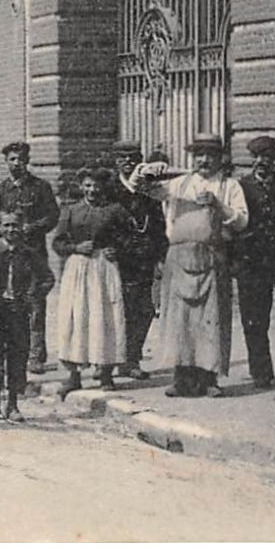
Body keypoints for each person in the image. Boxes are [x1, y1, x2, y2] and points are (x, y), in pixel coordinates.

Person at [128, 133, 249, 398]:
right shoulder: (179, 184)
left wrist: (218, 205)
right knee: (179, 320)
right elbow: (137, 187)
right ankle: (181, 379)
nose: (204, 160)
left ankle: (210, 380)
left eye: (210, 155)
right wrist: (146, 170)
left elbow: (241, 222)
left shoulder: (230, 187)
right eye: (199, 155)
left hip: (212, 258)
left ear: (220, 158)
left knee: (211, 321)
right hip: (178, 260)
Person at [0, 210, 55, 422]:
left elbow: (47, 279)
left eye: (15, 225)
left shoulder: (29, 253)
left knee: (17, 355)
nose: (11, 230)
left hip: (18, 310)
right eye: (6, 225)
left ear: (22, 226)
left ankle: (13, 403)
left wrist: (33, 296)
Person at [50, 169, 128, 397]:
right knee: (76, 318)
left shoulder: (115, 210)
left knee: (105, 318)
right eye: (88, 185)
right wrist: (74, 248)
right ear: (81, 186)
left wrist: (118, 250)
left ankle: (105, 373)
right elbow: (58, 243)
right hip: (79, 268)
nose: (92, 190)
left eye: (96, 186)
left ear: (104, 187)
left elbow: (130, 237)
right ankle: (73, 376)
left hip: (104, 269)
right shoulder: (71, 211)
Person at [0, 141, 60, 373]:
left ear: (28, 160)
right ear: (6, 162)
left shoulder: (40, 187)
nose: (17, 164)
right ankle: (14, 351)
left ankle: (36, 355)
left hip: (33, 253)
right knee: (10, 303)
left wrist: (34, 227)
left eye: (21, 159)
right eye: (12, 159)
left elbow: (52, 216)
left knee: (35, 301)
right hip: (9, 256)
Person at [230, 136, 275, 390]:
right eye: (256, 157)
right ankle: (261, 372)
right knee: (254, 320)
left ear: (274, 159)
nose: (260, 162)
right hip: (251, 263)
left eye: (266, 157)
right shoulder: (240, 187)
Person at [108, 142, 166, 380]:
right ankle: (112, 360)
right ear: (116, 162)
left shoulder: (148, 188)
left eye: (133, 157)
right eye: (123, 158)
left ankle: (132, 359)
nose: (129, 162)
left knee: (144, 310)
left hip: (143, 257)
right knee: (117, 309)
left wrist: (160, 254)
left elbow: (159, 222)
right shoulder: (110, 188)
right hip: (117, 257)